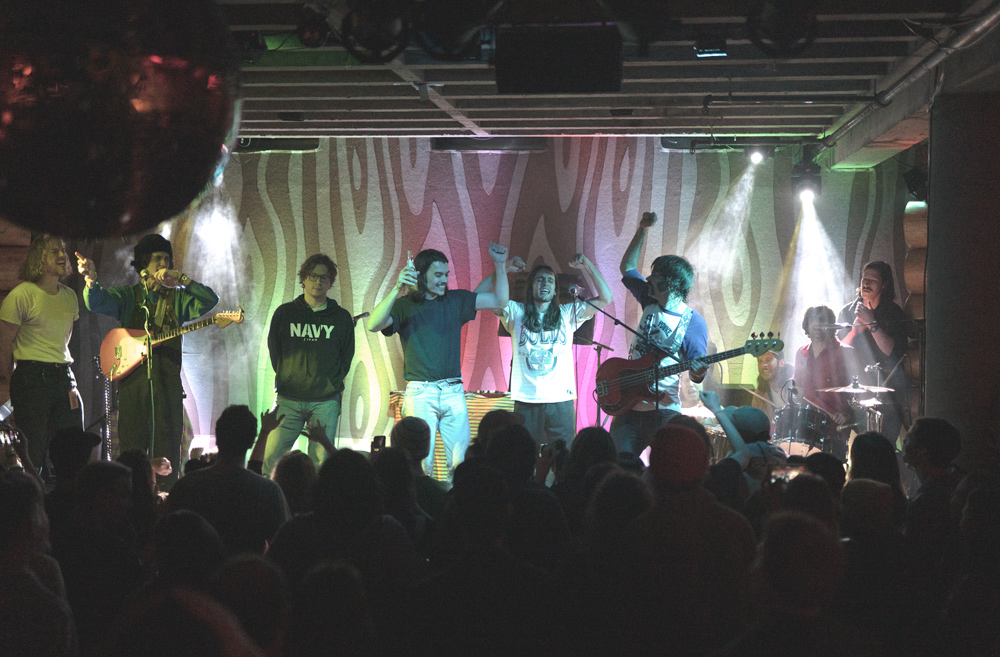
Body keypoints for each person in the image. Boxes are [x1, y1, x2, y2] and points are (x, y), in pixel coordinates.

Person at [77, 234, 219, 489]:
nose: (164, 264)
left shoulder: (178, 299)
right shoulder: (130, 296)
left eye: (167, 259)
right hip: (133, 390)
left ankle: (164, 504)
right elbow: (96, 301)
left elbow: (210, 300)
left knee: (167, 457)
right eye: (157, 259)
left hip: (168, 390)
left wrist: (183, 280)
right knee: (132, 454)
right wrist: (90, 280)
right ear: (144, 265)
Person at [366, 243, 509, 480]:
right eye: (438, 275)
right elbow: (373, 324)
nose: (444, 280)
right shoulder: (404, 305)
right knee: (422, 466)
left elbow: (500, 300)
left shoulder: (455, 300)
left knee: (460, 464)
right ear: (421, 276)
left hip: (453, 391)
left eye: (446, 275)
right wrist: (397, 288)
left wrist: (501, 265)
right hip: (420, 392)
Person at [476, 254, 613, 448]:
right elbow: (478, 295)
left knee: (564, 457)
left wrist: (587, 266)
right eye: (539, 280)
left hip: (561, 400)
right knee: (524, 456)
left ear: (555, 289)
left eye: (549, 280)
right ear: (531, 286)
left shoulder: (567, 314)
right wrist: (504, 268)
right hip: (526, 399)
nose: (544, 284)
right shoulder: (516, 312)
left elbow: (606, 298)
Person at [611, 211, 708, 456]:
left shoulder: (693, 323)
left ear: (671, 283)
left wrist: (698, 372)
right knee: (617, 466)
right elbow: (627, 267)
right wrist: (642, 228)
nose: (648, 279)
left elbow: (697, 373)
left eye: (655, 276)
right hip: (629, 406)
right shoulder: (649, 300)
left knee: (667, 469)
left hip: (664, 411)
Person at [0, 235, 83, 474]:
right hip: (32, 376)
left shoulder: (69, 296)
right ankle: (32, 502)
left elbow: (65, 338)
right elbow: (4, 345)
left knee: (73, 444)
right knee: (32, 448)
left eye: (63, 250)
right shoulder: (21, 295)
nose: (62, 255)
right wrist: (12, 382)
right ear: (39, 258)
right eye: (54, 251)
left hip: (64, 374)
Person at [265, 253, 355, 474]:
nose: (318, 281)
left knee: (321, 464)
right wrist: (289, 376)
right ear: (303, 279)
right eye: (313, 276)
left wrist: (331, 383)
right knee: (269, 459)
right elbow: (274, 350)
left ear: (330, 282)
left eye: (324, 277)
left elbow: (347, 356)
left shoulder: (341, 317)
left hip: (325, 402)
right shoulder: (285, 313)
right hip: (289, 399)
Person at [166, 405, 290, 555]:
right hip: (245, 576)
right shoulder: (269, 492)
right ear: (250, 443)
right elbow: (284, 550)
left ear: (217, 438)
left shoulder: (184, 487)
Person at [838, 261, 910, 443]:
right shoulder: (847, 311)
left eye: (872, 280)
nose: (866, 283)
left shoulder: (893, 313)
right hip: (854, 392)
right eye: (864, 278)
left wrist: (871, 324)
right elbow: (838, 351)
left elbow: (892, 353)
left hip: (888, 394)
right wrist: (855, 330)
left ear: (884, 285)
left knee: (882, 447)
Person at [792, 305, 858, 458]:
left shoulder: (845, 352)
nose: (816, 323)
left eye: (822, 319)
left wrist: (848, 415)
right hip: (806, 429)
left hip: (835, 431)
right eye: (812, 320)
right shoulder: (801, 353)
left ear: (831, 325)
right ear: (807, 325)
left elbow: (859, 393)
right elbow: (799, 391)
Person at [752, 348, 793, 414]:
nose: (763, 365)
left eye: (768, 360)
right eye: (760, 361)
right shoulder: (759, 393)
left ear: (781, 363)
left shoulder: (795, 387)